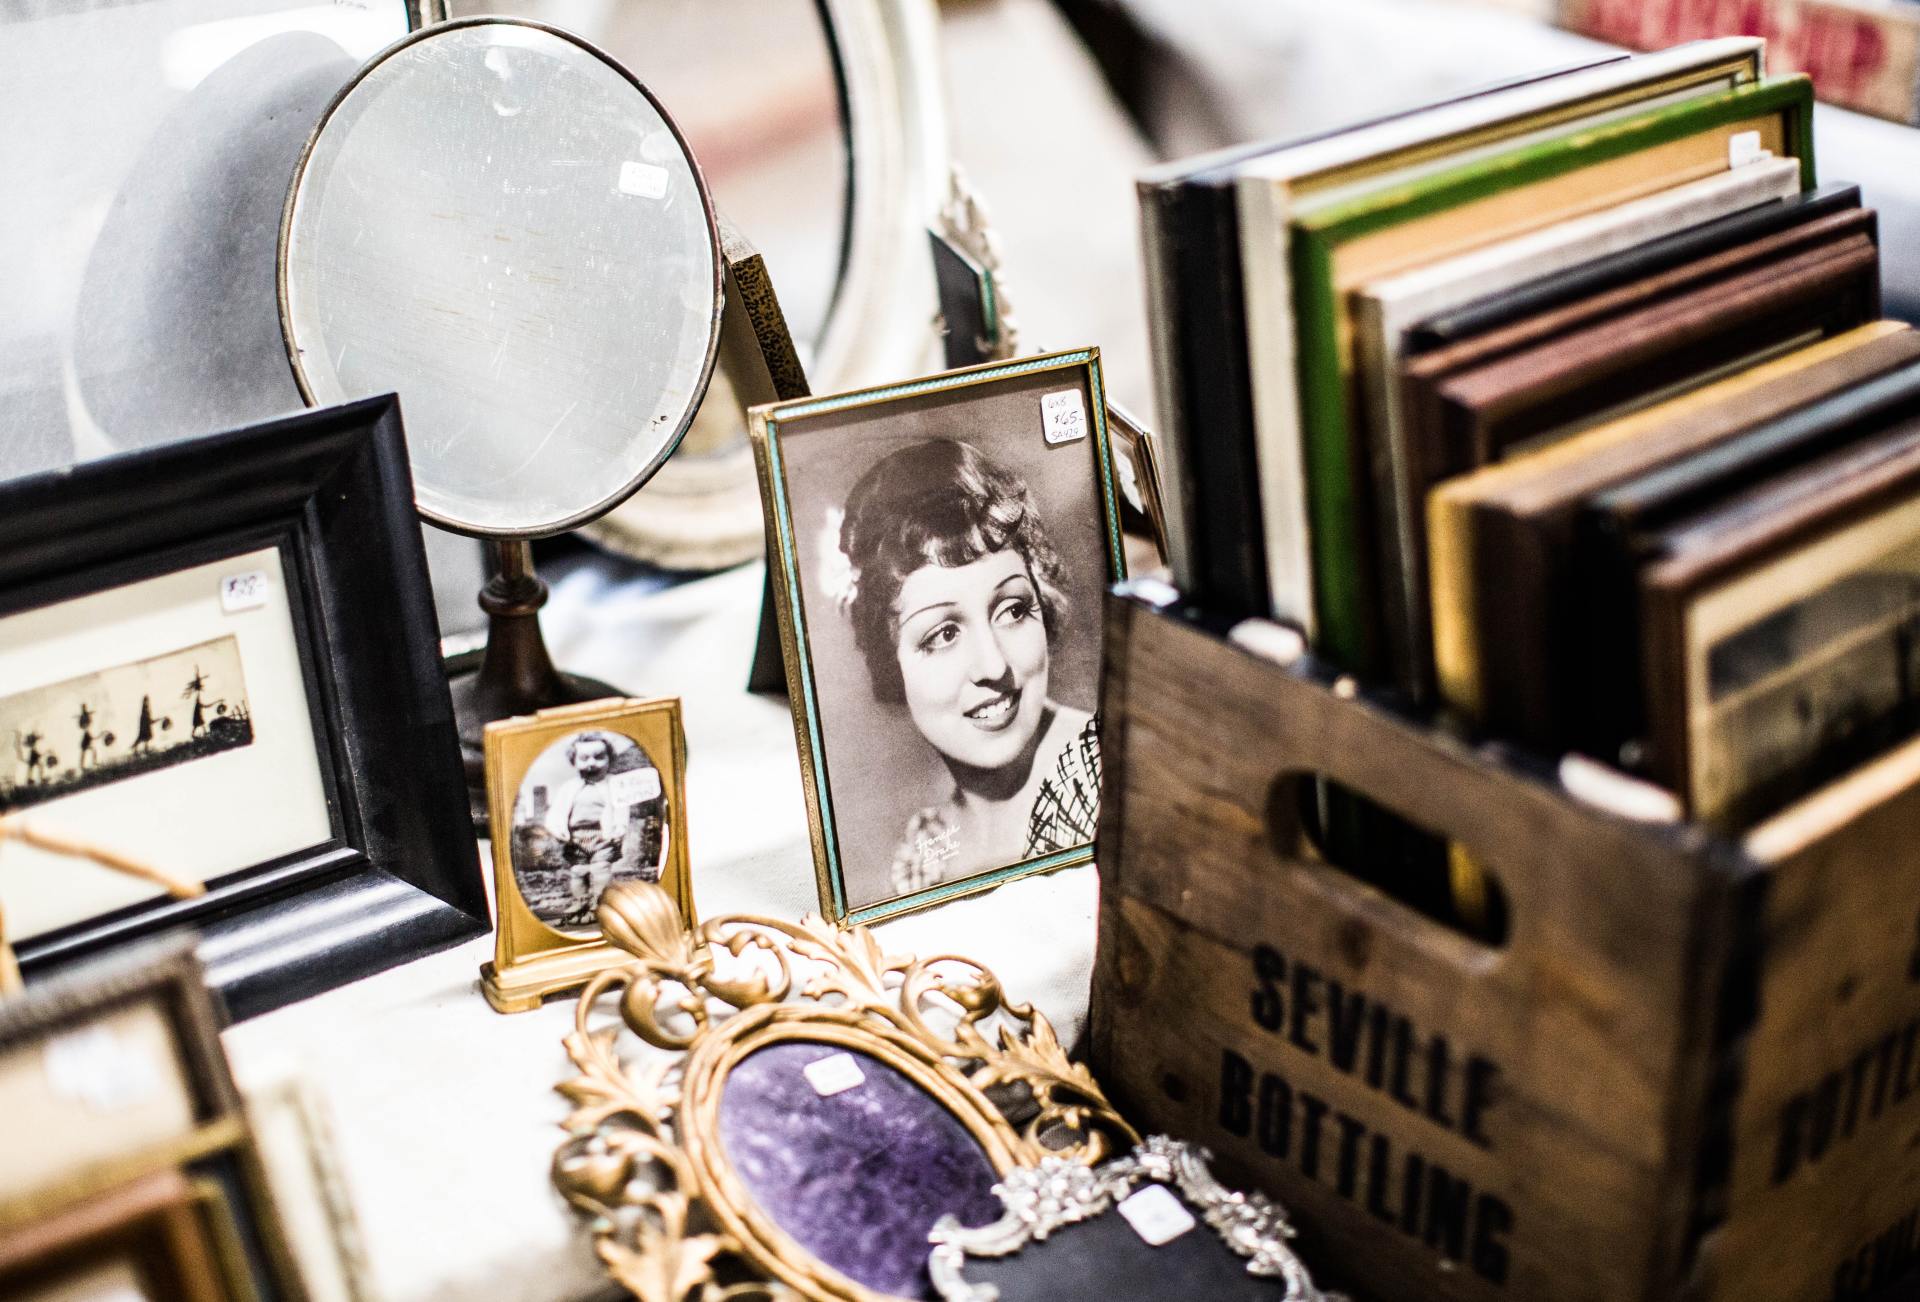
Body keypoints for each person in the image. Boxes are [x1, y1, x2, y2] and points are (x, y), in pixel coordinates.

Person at [837, 438, 1100, 898]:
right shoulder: (927, 853)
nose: (993, 665)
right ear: (890, 661)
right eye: (943, 635)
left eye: (1013, 610)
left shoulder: (1111, 774)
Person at [541, 732, 632, 925]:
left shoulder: (614, 785)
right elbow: (556, 812)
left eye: (599, 757)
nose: (592, 763)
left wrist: (619, 828)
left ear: (610, 759)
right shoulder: (569, 788)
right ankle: (580, 902)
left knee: (601, 870)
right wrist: (558, 829)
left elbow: (622, 808)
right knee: (578, 871)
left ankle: (599, 905)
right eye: (584, 758)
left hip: (603, 836)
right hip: (575, 838)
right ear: (574, 761)